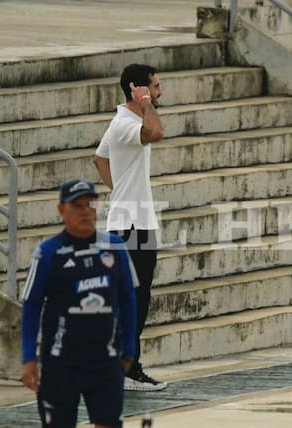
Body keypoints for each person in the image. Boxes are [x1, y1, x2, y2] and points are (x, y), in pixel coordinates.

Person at [20, 179, 137, 428]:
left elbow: (128, 299)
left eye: (90, 204)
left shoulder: (115, 247)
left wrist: (129, 349)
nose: (85, 211)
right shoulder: (47, 252)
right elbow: (31, 305)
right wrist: (28, 357)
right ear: (61, 210)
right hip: (60, 363)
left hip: (106, 361)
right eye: (77, 206)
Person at [93, 64, 167, 391]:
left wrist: (119, 190)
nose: (160, 92)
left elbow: (99, 159)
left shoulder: (123, 121)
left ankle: (122, 367)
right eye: (155, 86)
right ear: (138, 89)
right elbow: (157, 133)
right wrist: (146, 103)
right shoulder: (125, 124)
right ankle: (127, 370)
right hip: (130, 226)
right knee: (134, 299)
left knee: (137, 297)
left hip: (135, 221)